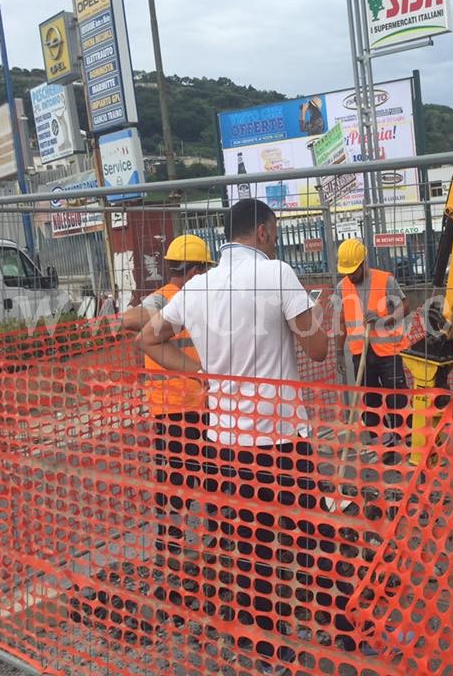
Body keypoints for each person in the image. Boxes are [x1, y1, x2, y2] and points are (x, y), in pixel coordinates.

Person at [138, 199, 330, 673]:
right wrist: (317, 315)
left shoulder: (196, 289)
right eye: (276, 231)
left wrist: (200, 371)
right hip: (281, 438)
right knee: (314, 535)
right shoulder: (277, 275)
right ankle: (343, 629)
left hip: (225, 443)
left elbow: (147, 338)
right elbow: (320, 350)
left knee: (251, 551)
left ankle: (268, 653)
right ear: (263, 232)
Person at [122, 234, 215, 593]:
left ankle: (194, 542)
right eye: (203, 269)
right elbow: (130, 321)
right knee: (179, 481)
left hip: (195, 405)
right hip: (176, 409)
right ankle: (171, 547)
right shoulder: (167, 298)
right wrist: (166, 314)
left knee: (199, 477)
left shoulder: (199, 298)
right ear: (192, 270)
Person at [334, 238, 412, 455]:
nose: (350, 275)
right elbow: (341, 322)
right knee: (371, 403)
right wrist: (339, 352)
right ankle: (384, 443)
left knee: (397, 399)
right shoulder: (342, 287)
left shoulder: (384, 280)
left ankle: (405, 440)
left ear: (363, 262)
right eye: (347, 271)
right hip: (361, 353)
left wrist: (385, 319)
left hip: (389, 352)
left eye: (354, 270)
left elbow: (404, 306)